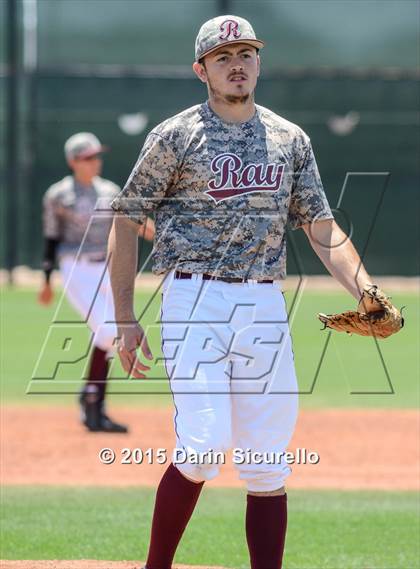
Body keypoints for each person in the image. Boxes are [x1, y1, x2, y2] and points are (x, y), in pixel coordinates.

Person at [108, 15, 379, 569]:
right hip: (194, 299)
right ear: (201, 69)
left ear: (259, 61)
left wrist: (367, 290)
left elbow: (322, 228)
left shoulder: (288, 138)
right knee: (205, 446)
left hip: (263, 304)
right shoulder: (176, 134)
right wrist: (124, 316)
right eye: (223, 55)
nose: (237, 63)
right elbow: (126, 217)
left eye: (246, 53)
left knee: (266, 462)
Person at [39, 132, 155, 433]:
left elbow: (128, 224)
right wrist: (47, 279)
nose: (95, 162)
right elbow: (51, 237)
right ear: (73, 161)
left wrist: (156, 232)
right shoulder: (58, 194)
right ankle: (94, 406)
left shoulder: (109, 190)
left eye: (96, 156)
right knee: (108, 332)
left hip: (106, 267)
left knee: (105, 334)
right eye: (87, 157)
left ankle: (91, 400)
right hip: (74, 266)